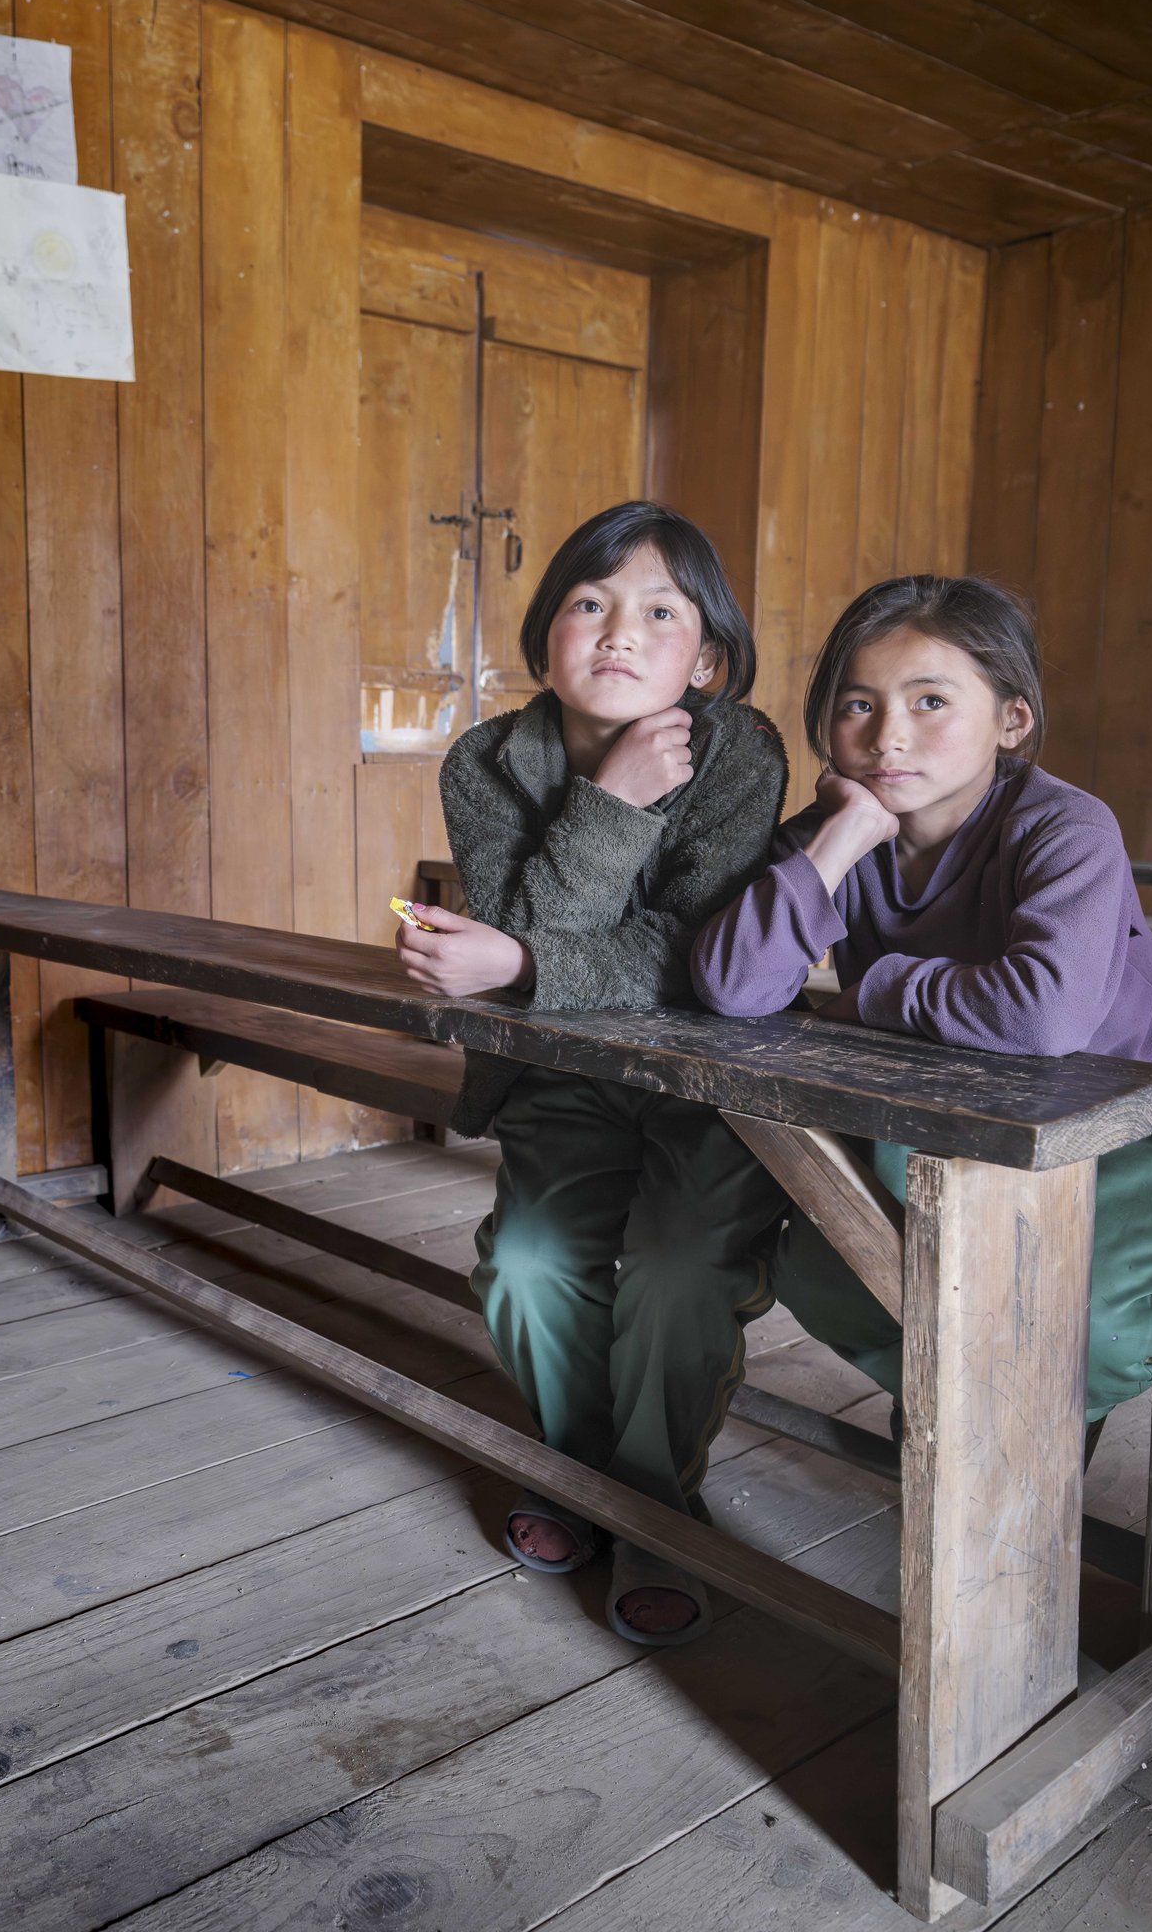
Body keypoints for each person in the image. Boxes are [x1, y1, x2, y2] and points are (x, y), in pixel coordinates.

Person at [691, 574, 1152, 1449]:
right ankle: (971, 1414)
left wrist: (872, 993)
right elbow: (733, 986)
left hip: (1136, 1132)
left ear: (1012, 721)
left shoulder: (1065, 829)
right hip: (947, 1120)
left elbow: (1043, 1021)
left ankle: (1005, 1450)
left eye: (931, 701)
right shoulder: (840, 832)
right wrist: (838, 843)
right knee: (820, 1267)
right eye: (858, 706)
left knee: (1088, 1337)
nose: (889, 737)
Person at [395, 501, 787, 1646]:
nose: (618, 631)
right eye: (588, 603)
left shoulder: (737, 752)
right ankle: (580, 1469)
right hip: (561, 1076)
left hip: (710, 1087)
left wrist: (518, 956)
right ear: (542, 637)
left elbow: (696, 956)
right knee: (521, 1260)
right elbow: (528, 923)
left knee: (674, 1269)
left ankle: (653, 1504)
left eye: (659, 612)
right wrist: (606, 802)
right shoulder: (487, 759)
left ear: (705, 659)